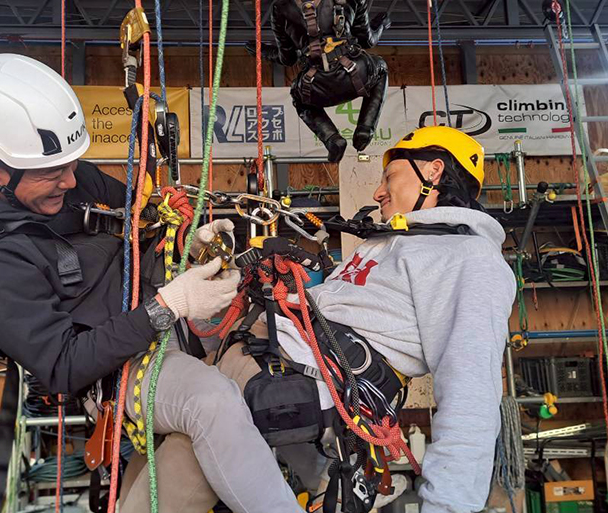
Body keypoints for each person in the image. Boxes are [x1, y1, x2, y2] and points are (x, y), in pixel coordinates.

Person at [0, 53, 306, 513]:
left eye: (73, 164)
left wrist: (190, 243)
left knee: (292, 356)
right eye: (54, 173)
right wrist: (170, 303)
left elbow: (141, 220)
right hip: (119, 370)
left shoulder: (65, 179)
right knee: (211, 401)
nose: (72, 180)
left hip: (176, 322)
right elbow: (66, 364)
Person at [133, 126, 516, 513]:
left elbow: (472, 393)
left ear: (432, 173)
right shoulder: (386, 243)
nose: (377, 192)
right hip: (265, 361)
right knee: (151, 443)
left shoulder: (469, 259)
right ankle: (319, 480)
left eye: (389, 176)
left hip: (292, 380)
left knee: (176, 442)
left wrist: (447, 507)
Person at [247, 0, 390, 162]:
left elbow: (288, 58)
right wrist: (381, 25)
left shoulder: (280, 7)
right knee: (381, 69)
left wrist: (263, 51)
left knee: (299, 97)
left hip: (315, 84)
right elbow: (367, 40)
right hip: (355, 73)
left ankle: (331, 138)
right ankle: (365, 128)